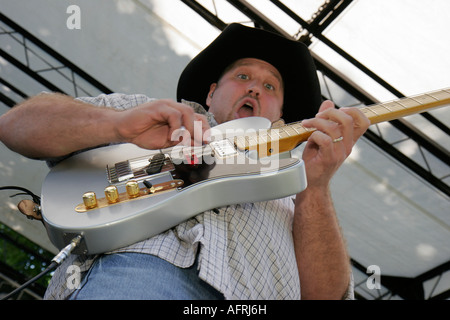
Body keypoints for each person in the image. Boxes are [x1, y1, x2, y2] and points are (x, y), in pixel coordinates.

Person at [0, 24, 369, 299]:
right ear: (211, 93)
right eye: (243, 76)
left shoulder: (293, 179)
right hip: (138, 277)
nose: (255, 88)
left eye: (270, 86)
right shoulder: (148, 115)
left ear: (282, 113)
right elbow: (15, 127)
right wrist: (114, 124)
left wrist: (315, 186)